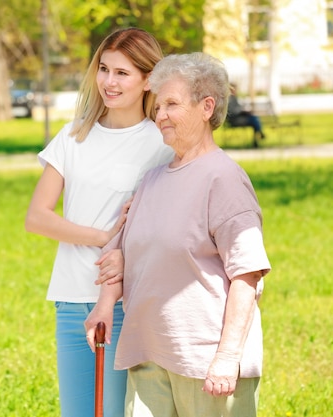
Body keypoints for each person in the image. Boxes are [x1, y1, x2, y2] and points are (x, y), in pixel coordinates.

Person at [85, 52, 271, 417]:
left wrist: (227, 357)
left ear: (206, 107)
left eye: (171, 104)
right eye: (157, 106)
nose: (160, 115)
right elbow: (120, 250)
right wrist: (104, 304)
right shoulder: (152, 180)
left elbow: (246, 274)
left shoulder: (224, 179)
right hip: (148, 353)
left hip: (205, 362)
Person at [25, 27, 173, 417]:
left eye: (122, 73)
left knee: (115, 412)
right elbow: (37, 217)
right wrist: (102, 236)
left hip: (128, 302)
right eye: (104, 69)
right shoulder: (74, 136)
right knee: (77, 412)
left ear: (148, 79)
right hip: (71, 297)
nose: (109, 81)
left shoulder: (161, 143)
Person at [226, 83, 265, 147]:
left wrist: (244, 111)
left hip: (239, 118)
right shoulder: (230, 99)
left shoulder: (234, 98)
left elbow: (238, 108)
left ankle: (256, 140)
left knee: (254, 118)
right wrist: (242, 112)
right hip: (235, 120)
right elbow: (233, 112)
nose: (236, 90)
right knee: (254, 120)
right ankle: (259, 135)